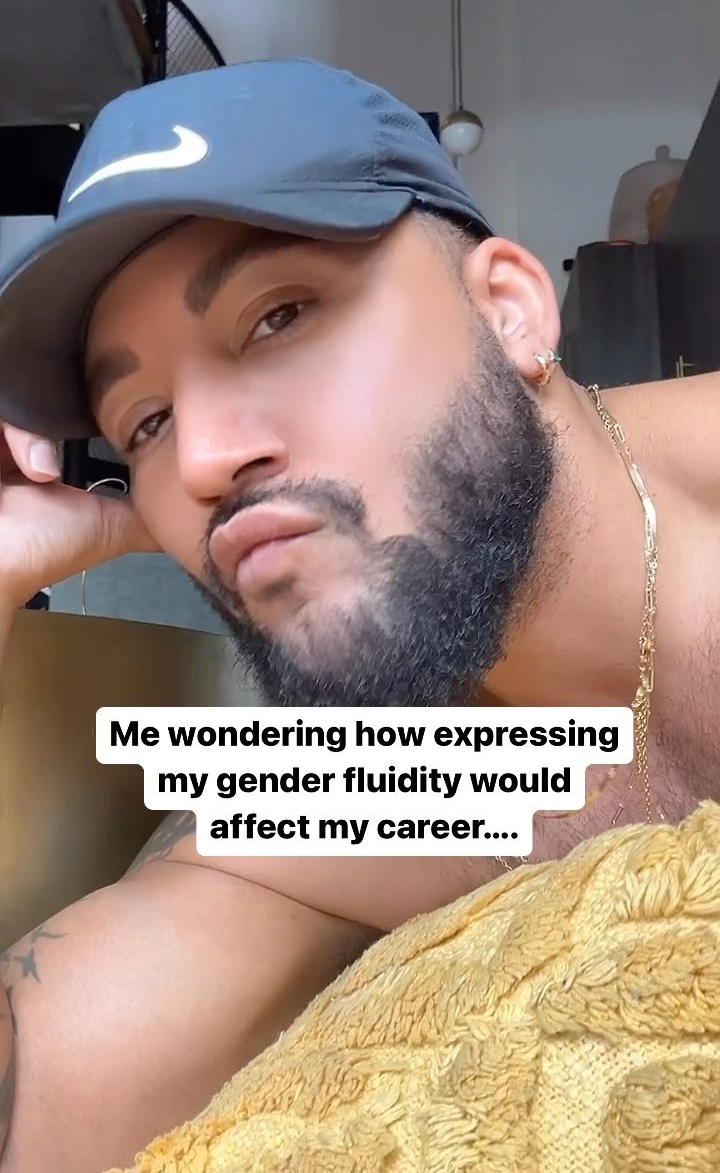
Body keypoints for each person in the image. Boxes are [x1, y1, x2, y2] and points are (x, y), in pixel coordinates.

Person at [0, 59, 716, 1169]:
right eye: (142, 422)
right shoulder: (376, 784)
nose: (203, 460)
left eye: (279, 316)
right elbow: (43, 1103)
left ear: (509, 309)